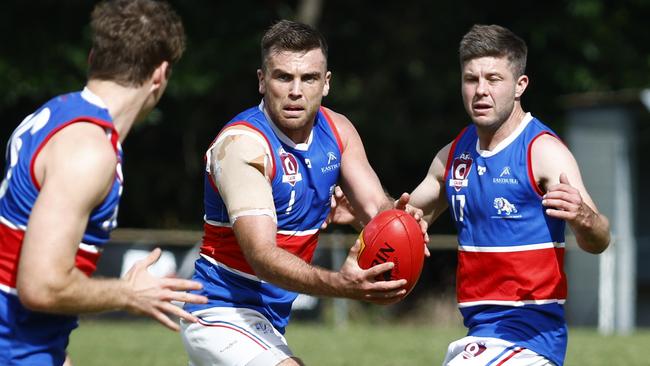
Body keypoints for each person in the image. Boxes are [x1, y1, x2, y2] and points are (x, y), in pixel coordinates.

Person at [180, 19, 427, 366]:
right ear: (262, 81)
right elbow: (261, 256)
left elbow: (376, 207)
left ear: (326, 83)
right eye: (283, 77)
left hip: (268, 322)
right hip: (220, 310)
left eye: (308, 78)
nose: (296, 90)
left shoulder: (338, 131)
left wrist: (404, 222)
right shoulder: (242, 146)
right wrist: (339, 284)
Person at [0, 1, 208, 365]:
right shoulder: (89, 151)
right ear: (160, 74)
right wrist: (128, 294)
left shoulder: (56, 113)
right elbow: (40, 286)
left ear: (94, 56)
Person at [409, 24, 610, 366]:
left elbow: (599, 239)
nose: (480, 91)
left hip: (529, 337)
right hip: (480, 335)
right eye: (471, 79)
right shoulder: (453, 155)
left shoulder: (542, 151)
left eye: (493, 79)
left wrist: (584, 217)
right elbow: (405, 219)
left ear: (520, 86)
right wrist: (359, 217)